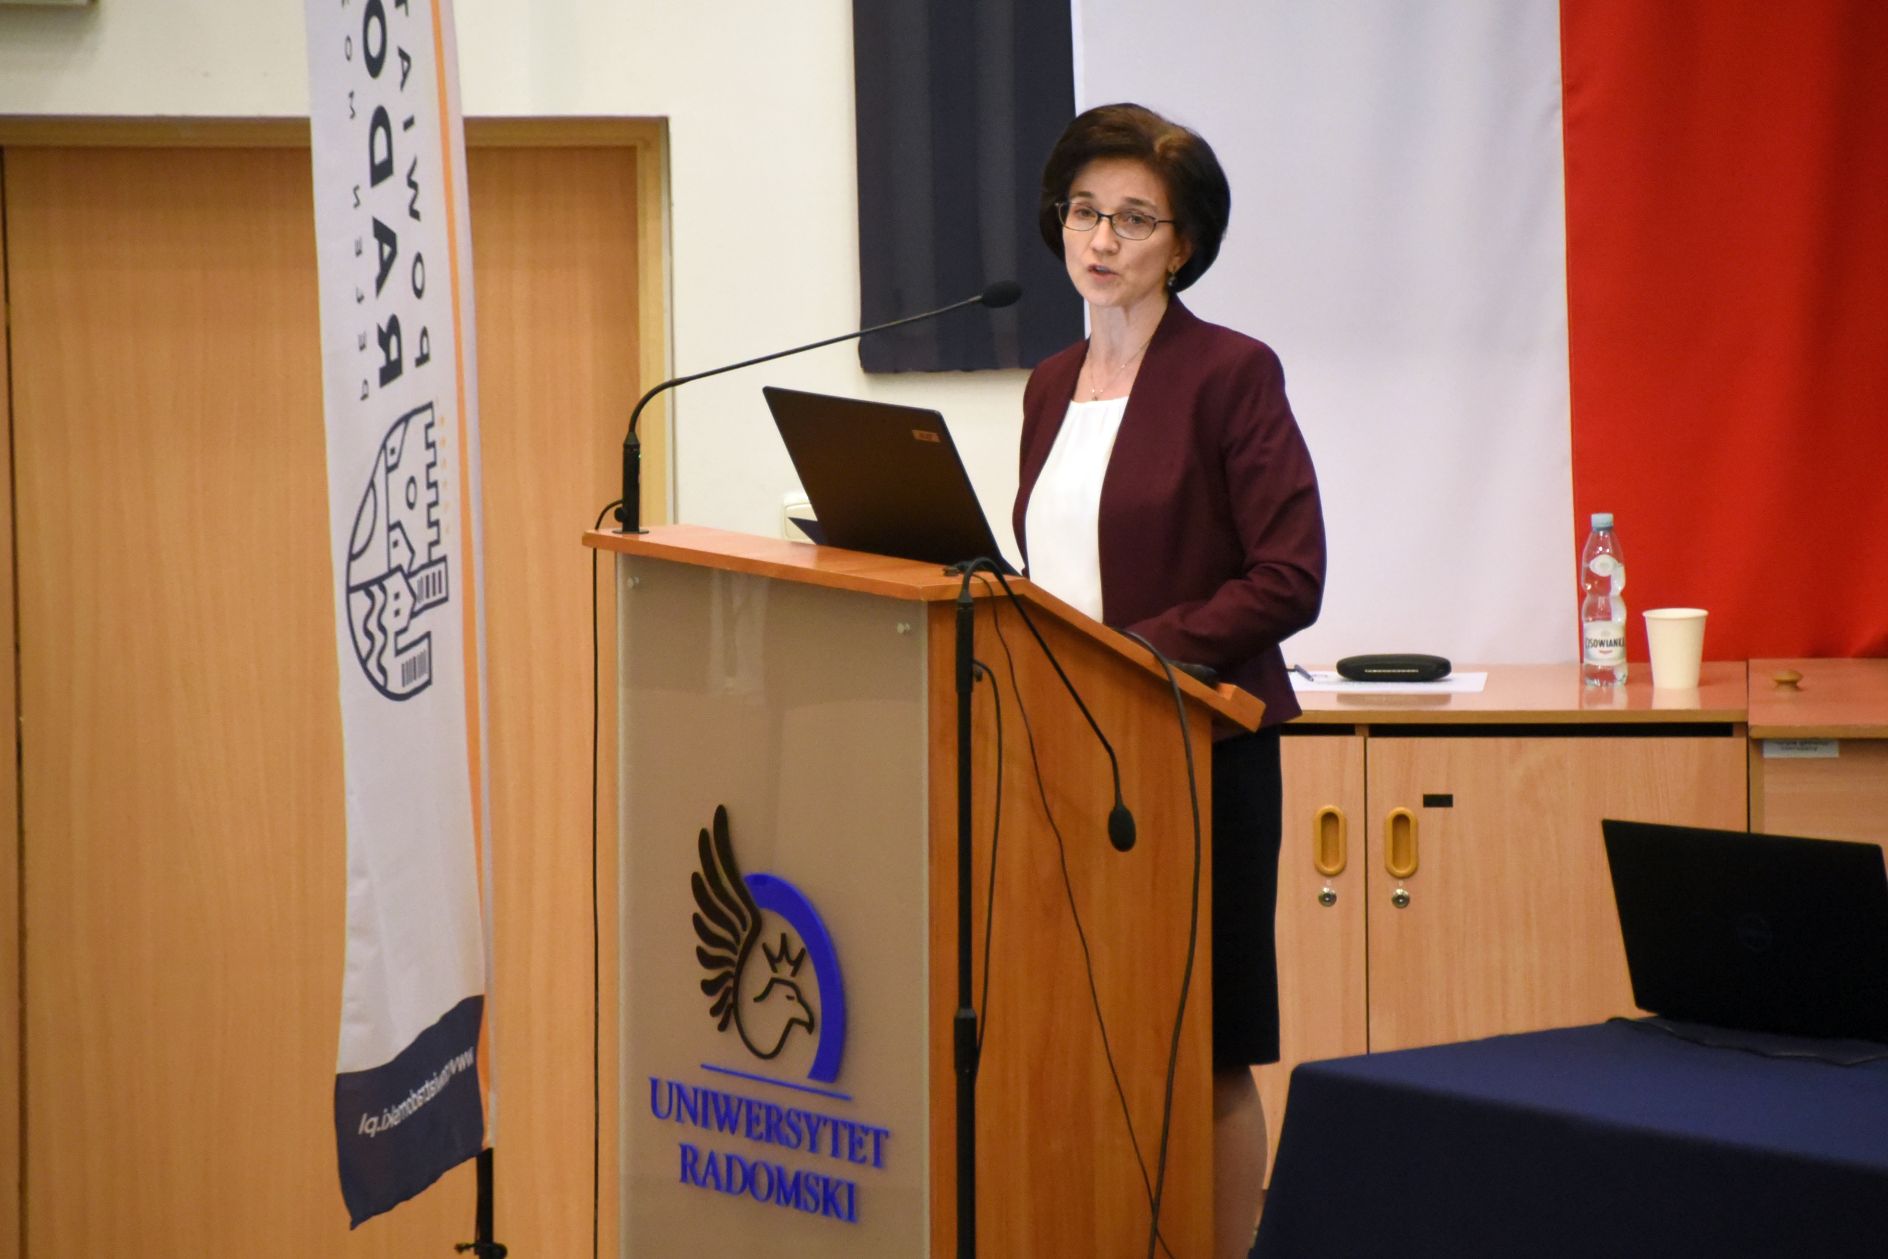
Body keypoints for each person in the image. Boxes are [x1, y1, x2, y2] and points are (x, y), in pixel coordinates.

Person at [1012, 102, 1326, 1258]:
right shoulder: (1049, 383)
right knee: (1077, 1031)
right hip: (1067, 758)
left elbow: (1288, 574)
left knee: (1207, 1047)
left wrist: (1136, 650)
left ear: (1183, 243)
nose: (1101, 239)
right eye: (1084, 212)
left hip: (1198, 755)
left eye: (1134, 219)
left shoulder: (1230, 373)